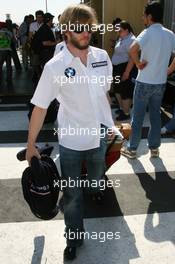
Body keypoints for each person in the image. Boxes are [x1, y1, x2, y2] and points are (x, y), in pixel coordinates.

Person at [25, 4, 123, 261]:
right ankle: (74, 237)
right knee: (72, 195)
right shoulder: (55, 67)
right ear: (66, 31)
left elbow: (104, 94)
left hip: (99, 136)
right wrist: (31, 143)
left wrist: (110, 123)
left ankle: (95, 186)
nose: (86, 34)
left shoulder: (103, 56)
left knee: (95, 178)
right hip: (70, 141)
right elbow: (39, 108)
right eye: (80, 29)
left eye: (89, 29)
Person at [121, 1, 175, 159]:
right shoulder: (170, 34)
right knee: (155, 116)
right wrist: (170, 69)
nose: (142, 18)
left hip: (144, 81)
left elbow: (132, 49)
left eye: (144, 15)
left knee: (137, 117)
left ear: (150, 17)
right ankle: (154, 149)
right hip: (160, 82)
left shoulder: (147, 32)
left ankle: (132, 149)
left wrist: (138, 64)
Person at [112, 21, 137, 121]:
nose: (118, 33)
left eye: (120, 31)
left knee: (125, 91)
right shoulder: (122, 38)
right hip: (117, 68)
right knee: (117, 89)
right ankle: (122, 108)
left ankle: (126, 113)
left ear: (127, 30)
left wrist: (126, 72)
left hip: (125, 68)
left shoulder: (131, 40)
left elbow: (132, 58)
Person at [0, 22, 13, 87]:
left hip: (1, 51)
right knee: (8, 66)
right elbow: (13, 40)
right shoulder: (9, 32)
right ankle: (9, 79)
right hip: (8, 50)